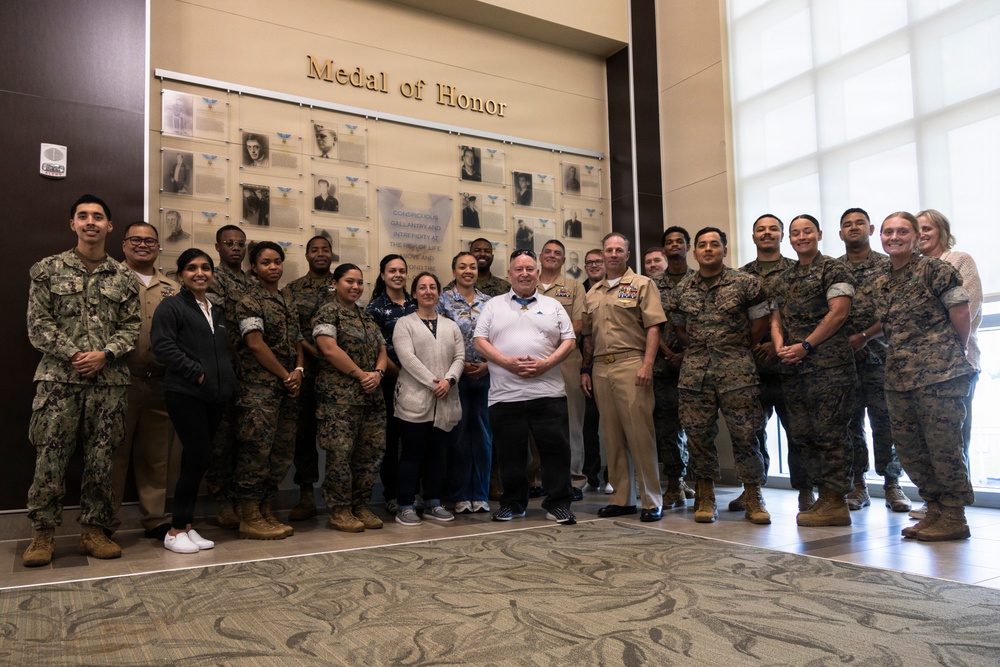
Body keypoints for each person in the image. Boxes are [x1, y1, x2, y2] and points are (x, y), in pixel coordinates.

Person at [22, 194, 140, 567]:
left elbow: (132, 326)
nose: (91, 222)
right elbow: (38, 324)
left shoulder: (123, 276)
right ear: (72, 224)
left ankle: (93, 531)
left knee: (102, 459)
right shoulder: (47, 269)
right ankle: (42, 534)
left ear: (109, 226)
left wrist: (105, 354)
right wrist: (75, 355)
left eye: (98, 217)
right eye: (83, 216)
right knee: (50, 458)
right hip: (60, 381)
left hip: (109, 381)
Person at [874, 211, 975, 541]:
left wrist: (952, 353)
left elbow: (961, 312)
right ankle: (935, 509)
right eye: (888, 232)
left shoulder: (934, 269)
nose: (894, 237)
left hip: (940, 375)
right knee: (910, 450)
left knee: (944, 447)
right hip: (899, 378)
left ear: (916, 236)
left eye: (902, 231)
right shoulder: (881, 280)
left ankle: (954, 515)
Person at [669, 228, 771, 524]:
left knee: (746, 434)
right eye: (702, 245)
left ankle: (753, 495)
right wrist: (702, 348)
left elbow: (760, 324)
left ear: (725, 250)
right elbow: (679, 329)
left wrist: (734, 346)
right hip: (695, 374)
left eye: (715, 244)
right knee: (698, 437)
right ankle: (705, 495)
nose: (708, 249)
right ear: (695, 252)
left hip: (737, 370)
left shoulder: (747, 283)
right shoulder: (682, 289)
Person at [474, 249, 578, 524]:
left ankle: (558, 504)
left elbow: (569, 340)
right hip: (505, 396)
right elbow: (479, 340)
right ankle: (513, 503)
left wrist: (546, 364)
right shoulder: (493, 305)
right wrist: (507, 362)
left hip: (548, 392)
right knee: (510, 455)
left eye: (529, 269)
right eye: (518, 269)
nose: (524, 274)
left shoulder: (553, 305)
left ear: (537, 272)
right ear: (509, 274)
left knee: (556, 452)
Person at [770, 214, 856, 527]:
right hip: (793, 368)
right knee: (804, 434)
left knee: (830, 433)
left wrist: (805, 345)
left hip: (828, 366)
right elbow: (776, 319)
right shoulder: (784, 277)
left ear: (819, 234)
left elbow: (839, 313)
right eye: (795, 233)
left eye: (807, 231)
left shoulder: (833, 267)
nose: (801, 237)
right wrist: (781, 346)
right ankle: (822, 497)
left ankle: (837, 501)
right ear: (789, 239)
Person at [150, 249, 238, 553]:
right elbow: (162, 346)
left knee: (195, 458)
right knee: (198, 456)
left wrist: (225, 381)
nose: (199, 273)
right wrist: (196, 373)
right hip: (185, 392)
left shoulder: (216, 309)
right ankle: (174, 531)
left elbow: (223, 352)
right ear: (180, 276)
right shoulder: (171, 306)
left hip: (215, 395)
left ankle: (187, 525)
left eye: (205, 268)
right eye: (191, 268)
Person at [581, 232, 667, 522]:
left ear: (628, 255)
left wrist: (647, 364)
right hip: (601, 368)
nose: (613, 254)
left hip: (632, 363)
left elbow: (653, 326)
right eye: (609, 250)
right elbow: (588, 336)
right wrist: (586, 368)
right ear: (602, 255)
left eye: (619, 250)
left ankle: (651, 500)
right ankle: (622, 498)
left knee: (640, 435)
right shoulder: (593, 293)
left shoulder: (643, 284)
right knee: (612, 435)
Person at [110, 222, 180, 541]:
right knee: (113, 453)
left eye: (149, 240)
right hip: (120, 380)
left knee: (156, 454)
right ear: (124, 245)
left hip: (161, 382)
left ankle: (154, 518)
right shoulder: (110, 279)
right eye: (135, 240)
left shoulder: (173, 287)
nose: (142, 245)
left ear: (157, 247)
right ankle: (103, 521)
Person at [837, 207, 911, 512]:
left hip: (883, 358)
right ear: (840, 233)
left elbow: (895, 310)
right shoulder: (833, 269)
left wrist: (865, 336)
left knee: (886, 423)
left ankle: (893, 485)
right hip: (844, 362)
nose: (853, 228)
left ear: (871, 230)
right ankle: (858, 485)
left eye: (859, 224)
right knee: (851, 425)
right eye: (847, 225)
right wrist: (850, 342)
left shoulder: (888, 266)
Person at [232, 241, 304, 540]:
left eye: (277, 262)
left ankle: (265, 510)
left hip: (287, 389)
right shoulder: (249, 299)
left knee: (281, 453)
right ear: (255, 266)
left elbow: (298, 339)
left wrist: (299, 370)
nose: (273, 267)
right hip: (259, 389)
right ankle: (248, 516)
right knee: (256, 452)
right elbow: (254, 343)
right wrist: (285, 374)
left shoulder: (287, 297)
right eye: (265, 262)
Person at [739, 214, 809, 510]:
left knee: (799, 431)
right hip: (752, 368)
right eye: (760, 229)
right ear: (753, 236)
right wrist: (756, 344)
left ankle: (807, 491)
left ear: (782, 235)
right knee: (749, 432)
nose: (766, 234)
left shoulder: (798, 271)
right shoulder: (740, 276)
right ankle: (753, 490)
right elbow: (734, 320)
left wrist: (774, 343)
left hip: (790, 367)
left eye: (773, 229)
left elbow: (805, 317)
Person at [313, 263, 389, 532]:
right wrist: (360, 374)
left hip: (371, 399)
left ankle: (360, 505)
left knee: (370, 455)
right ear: (335, 283)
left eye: (359, 283)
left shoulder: (366, 317)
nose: (355, 287)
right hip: (340, 401)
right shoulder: (327, 312)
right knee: (340, 456)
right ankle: (340, 510)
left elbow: (382, 348)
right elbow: (329, 349)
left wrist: (378, 373)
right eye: (349, 281)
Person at [916, 209, 982, 488]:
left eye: (927, 228)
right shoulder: (911, 269)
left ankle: (955, 504)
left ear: (942, 231)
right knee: (923, 441)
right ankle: (937, 503)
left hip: (955, 364)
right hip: (916, 370)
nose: (921, 234)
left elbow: (968, 306)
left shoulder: (959, 261)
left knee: (952, 438)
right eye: (916, 229)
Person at [392, 272, 465, 525]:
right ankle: (405, 505)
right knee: (412, 453)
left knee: (436, 454)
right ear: (414, 294)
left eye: (432, 287)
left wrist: (449, 380)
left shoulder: (451, 325)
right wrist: (435, 382)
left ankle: (433, 502)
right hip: (414, 400)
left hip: (445, 399)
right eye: (422, 287)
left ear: (438, 293)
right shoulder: (404, 324)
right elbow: (407, 358)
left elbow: (459, 358)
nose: (427, 291)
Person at [283, 236, 336, 521]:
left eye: (325, 250)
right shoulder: (292, 290)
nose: (320, 254)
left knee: (340, 436)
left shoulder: (342, 285)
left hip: (337, 373)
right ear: (306, 255)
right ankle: (305, 495)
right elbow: (290, 328)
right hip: (306, 371)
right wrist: (310, 349)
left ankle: (341, 496)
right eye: (314, 250)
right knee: (303, 435)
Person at [205, 225, 254, 530]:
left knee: (246, 439)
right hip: (226, 368)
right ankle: (222, 502)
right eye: (229, 243)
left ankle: (242, 500)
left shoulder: (252, 281)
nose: (236, 248)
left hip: (254, 370)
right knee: (221, 439)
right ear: (218, 247)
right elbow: (216, 324)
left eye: (240, 244)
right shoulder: (214, 278)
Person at [438, 252, 492, 514]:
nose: (468, 271)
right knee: (458, 437)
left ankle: (480, 494)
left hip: (485, 374)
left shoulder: (490, 302)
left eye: (472, 266)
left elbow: (498, 337)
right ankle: (460, 495)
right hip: (456, 376)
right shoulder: (443, 301)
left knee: (482, 436)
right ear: (454, 270)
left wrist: (487, 365)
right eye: (462, 266)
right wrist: (457, 367)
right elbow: (437, 336)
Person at [536, 240, 588, 498]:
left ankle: (574, 480)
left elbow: (578, 324)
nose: (552, 256)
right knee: (535, 419)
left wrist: (548, 344)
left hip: (567, 360)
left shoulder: (574, 286)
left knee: (571, 421)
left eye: (558, 253)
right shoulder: (526, 282)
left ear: (564, 261)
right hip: (531, 361)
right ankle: (537, 478)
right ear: (539, 257)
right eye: (548, 252)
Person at [366, 254, 417, 513]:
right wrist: (400, 374)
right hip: (390, 382)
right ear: (383, 274)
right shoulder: (374, 308)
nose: (397, 275)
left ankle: (413, 493)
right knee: (391, 441)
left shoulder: (416, 303)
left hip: (420, 383)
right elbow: (378, 347)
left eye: (402, 270)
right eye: (392, 271)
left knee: (415, 440)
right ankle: (393, 495)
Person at [651, 226, 694, 508]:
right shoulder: (650, 284)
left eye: (680, 241)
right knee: (667, 429)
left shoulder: (700, 279)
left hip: (699, 365)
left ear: (688, 246)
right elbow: (646, 323)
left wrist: (687, 353)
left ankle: (698, 482)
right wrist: (667, 352)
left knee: (698, 428)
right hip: (664, 366)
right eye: (669, 242)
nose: (675, 245)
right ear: (663, 249)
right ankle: (675, 483)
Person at [580, 249, 606, 492]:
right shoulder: (580, 291)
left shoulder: (624, 288)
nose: (594, 265)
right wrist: (584, 368)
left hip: (617, 362)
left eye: (599, 261)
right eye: (590, 262)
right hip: (588, 365)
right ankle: (591, 476)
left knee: (614, 424)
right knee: (588, 425)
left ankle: (613, 476)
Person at [444, 238, 511, 297]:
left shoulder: (506, 288)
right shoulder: (452, 287)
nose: (482, 254)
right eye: (477, 250)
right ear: (470, 255)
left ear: (492, 257)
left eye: (487, 251)